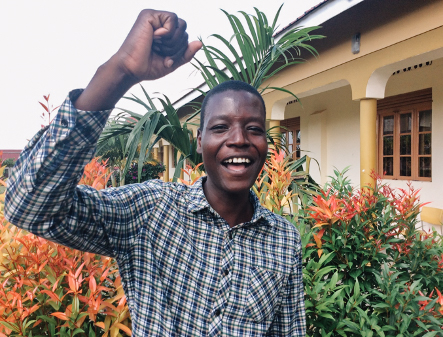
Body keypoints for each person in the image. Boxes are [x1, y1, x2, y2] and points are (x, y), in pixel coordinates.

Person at [5, 9, 305, 336]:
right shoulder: (152, 211)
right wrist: (119, 71)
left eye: (253, 129)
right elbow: (30, 207)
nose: (239, 140)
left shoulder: (283, 239)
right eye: (221, 127)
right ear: (200, 141)